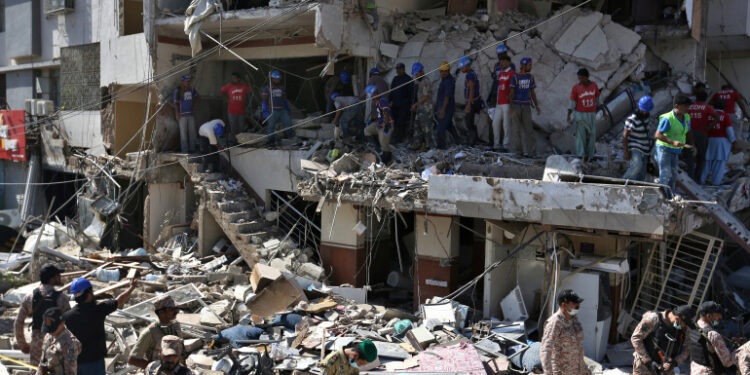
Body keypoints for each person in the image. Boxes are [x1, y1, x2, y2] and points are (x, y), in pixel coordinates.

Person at [63, 277, 137, 375]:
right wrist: (132, 288)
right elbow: (120, 300)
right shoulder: (100, 310)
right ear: (88, 294)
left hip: (75, 363)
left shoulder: (67, 316)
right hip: (95, 363)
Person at [14, 264, 69, 368]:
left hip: (37, 344)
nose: (60, 277)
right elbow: (71, 322)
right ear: (51, 279)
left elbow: (18, 322)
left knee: (36, 371)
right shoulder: (62, 298)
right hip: (56, 345)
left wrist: (22, 344)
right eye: (58, 275)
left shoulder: (29, 297)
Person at [630, 305, 694, 375]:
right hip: (645, 366)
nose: (686, 327)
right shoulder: (654, 319)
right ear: (677, 319)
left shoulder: (683, 330)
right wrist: (648, 362)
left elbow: (686, 348)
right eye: (685, 324)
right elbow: (636, 338)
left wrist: (675, 362)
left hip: (666, 369)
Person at [540, 290, 590, 375]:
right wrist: (548, 373)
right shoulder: (554, 323)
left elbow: (577, 349)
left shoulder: (574, 321)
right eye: (574, 304)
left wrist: (585, 370)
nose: (578, 306)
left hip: (576, 371)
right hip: (562, 372)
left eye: (578, 303)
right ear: (564, 305)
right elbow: (545, 351)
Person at [128, 295, 184, 369]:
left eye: (176, 308)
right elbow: (133, 360)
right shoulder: (149, 333)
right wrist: (157, 370)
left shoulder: (176, 325)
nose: (176, 311)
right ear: (161, 312)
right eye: (171, 309)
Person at [655, 94, 695, 195]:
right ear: (677, 106)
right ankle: (662, 196)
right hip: (664, 149)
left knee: (673, 175)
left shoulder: (686, 117)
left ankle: (670, 196)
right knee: (665, 173)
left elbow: (688, 131)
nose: (687, 109)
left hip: (675, 151)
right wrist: (672, 142)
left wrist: (692, 145)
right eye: (685, 106)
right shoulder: (668, 118)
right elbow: (658, 135)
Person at [568, 68, 606, 162]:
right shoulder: (576, 88)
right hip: (580, 114)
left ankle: (590, 155)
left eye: (582, 78)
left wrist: (604, 111)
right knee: (580, 136)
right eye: (579, 78)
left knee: (592, 135)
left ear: (587, 77)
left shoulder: (594, 86)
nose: (580, 80)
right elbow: (572, 102)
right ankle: (581, 155)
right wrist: (568, 115)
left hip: (591, 114)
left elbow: (598, 100)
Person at [690, 301, 737, 375]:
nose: (720, 318)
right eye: (718, 316)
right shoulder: (713, 335)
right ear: (709, 316)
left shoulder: (694, 328)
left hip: (695, 370)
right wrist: (738, 352)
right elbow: (727, 362)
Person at [508, 57, 540, 157]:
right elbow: (512, 92)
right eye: (529, 65)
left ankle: (532, 152)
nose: (531, 67)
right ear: (523, 66)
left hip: (526, 106)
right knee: (516, 130)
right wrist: (510, 106)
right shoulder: (515, 77)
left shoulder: (530, 77)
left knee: (529, 129)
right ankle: (518, 152)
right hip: (516, 105)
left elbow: (532, 92)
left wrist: (536, 105)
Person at [701, 99, 736, 185]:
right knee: (719, 163)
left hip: (708, 140)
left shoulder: (708, 115)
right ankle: (715, 183)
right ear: (724, 107)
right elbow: (729, 131)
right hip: (721, 141)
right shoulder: (725, 116)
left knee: (707, 161)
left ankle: (701, 180)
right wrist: (733, 141)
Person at [38, 308, 81, 375]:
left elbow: (70, 372)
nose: (50, 331)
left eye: (53, 328)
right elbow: (42, 362)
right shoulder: (48, 336)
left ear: (62, 322)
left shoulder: (69, 343)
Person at [622, 96, 655, 181]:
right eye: (644, 110)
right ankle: (623, 182)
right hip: (635, 146)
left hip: (645, 148)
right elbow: (625, 135)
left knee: (641, 172)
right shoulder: (632, 119)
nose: (645, 112)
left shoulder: (647, 117)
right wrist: (626, 151)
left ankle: (636, 189)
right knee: (637, 165)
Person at [688, 91, 718, 181]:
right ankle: (697, 179)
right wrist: (709, 126)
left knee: (690, 157)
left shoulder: (689, 106)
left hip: (689, 134)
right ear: (705, 99)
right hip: (702, 134)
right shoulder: (707, 107)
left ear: (696, 97)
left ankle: (690, 178)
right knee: (701, 158)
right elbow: (717, 116)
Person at [363, 85, 394, 164]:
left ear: (374, 93)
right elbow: (381, 113)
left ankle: (386, 160)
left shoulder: (382, 100)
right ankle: (377, 148)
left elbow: (386, 112)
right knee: (367, 130)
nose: (371, 98)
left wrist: (386, 125)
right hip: (379, 124)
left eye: (371, 95)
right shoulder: (377, 101)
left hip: (386, 125)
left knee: (385, 146)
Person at [262, 70, 294, 146]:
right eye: (276, 79)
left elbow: (284, 98)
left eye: (278, 79)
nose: (277, 80)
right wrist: (264, 110)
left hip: (282, 110)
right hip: (272, 111)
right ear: (272, 79)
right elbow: (264, 100)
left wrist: (287, 107)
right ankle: (271, 141)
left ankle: (290, 138)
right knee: (271, 127)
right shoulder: (267, 88)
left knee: (288, 123)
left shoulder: (282, 88)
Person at [491, 54, 515, 151]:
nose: (502, 63)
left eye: (504, 61)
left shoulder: (512, 73)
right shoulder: (500, 74)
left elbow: (513, 89)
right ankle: (496, 144)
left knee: (506, 124)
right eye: (501, 62)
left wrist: (512, 103)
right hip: (499, 102)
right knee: (495, 123)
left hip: (507, 102)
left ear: (509, 62)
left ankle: (506, 145)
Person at [410, 62, 435, 150]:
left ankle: (430, 146)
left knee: (426, 128)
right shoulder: (421, 82)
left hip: (426, 109)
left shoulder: (425, 81)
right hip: (421, 109)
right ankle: (417, 144)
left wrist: (416, 104)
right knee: (417, 126)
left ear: (422, 72)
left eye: (417, 74)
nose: (416, 76)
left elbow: (426, 96)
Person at [220, 72, 251, 145]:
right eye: (232, 78)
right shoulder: (229, 86)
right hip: (231, 111)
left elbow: (251, 90)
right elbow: (222, 91)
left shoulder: (243, 86)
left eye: (234, 78)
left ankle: (240, 142)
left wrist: (248, 81)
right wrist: (226, 99)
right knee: (233, 129)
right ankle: (234, 143)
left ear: (239, 79)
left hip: (241, 111)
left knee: (241, 129)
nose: (233, 79)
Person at [435, 61, 460, 148]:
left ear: (448, 70)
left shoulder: (449, 81)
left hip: (446, 108)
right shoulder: (445, 80)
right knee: (449, 126)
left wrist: (442, 110)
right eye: (441, 71)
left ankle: (441, 147)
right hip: (444, 108)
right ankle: (459, 141)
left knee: (440, 129)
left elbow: (447, 96)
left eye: (445, 71)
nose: (443, 73)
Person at [458, 56, 482, 146]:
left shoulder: (470, 74)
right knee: (470, 122)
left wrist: (468, 104)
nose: (461, 69)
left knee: (469, 122)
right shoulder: (473, 73)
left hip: (472, 102)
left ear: (467, 65)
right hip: (475, 101)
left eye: (462, 67)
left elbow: (471, 88)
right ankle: (474, 140)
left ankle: (471, 143)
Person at [172, 75, 200, 154]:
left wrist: (193, 103)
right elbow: (175, 103)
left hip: (190, 114)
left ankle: (192, 148)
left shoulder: (191, 89)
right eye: (186, 81)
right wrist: (177, 113)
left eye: (189, 81)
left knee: (192, 132)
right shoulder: (178, 90)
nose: (188, 82)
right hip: (182, 115)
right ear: (182, 82)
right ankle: (185, 150)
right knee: (183, 133)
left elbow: (198, 97)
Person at [390, 63, 414, 143]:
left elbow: (412, 94)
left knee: (401, 122)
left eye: (399, 69)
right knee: (394, 121)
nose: (398, 70)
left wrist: (412, 105)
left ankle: (399, 139)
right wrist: (389, 101)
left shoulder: (408, 79)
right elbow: (392, 91)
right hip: (395, 104)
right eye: (397, 69)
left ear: (403, 69)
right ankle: (394, 137)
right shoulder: (395, 79)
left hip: (404, 105)